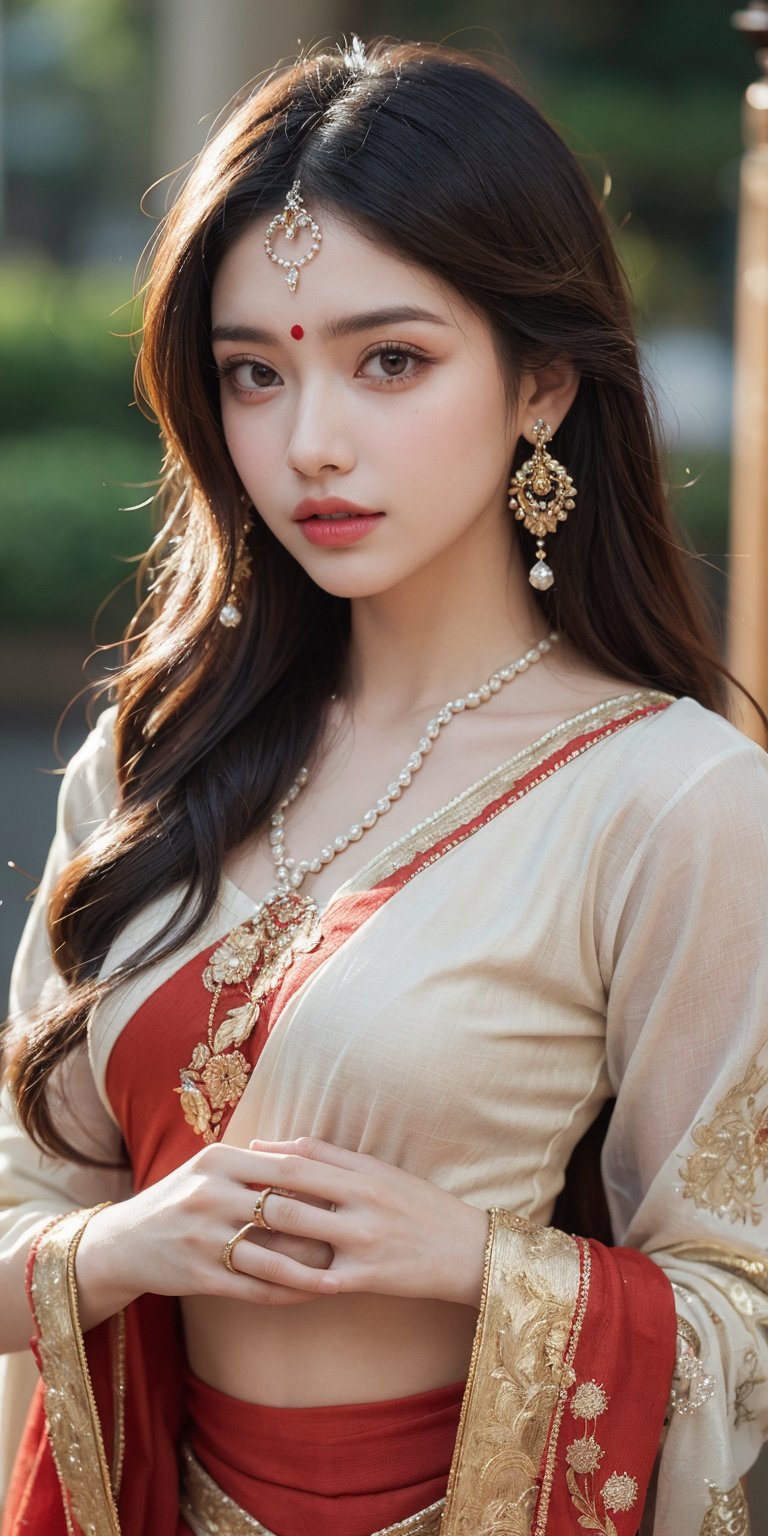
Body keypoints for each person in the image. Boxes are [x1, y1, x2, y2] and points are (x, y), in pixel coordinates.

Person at [1, 34, 767, 1536]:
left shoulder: (675, 801)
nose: (312, 444)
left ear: (542, 384)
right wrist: (124, 1247)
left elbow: (745, 1312)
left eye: (390, 361)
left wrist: (482, 1266)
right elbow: (23, 1195)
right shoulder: (155, 759)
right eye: (252, 375)